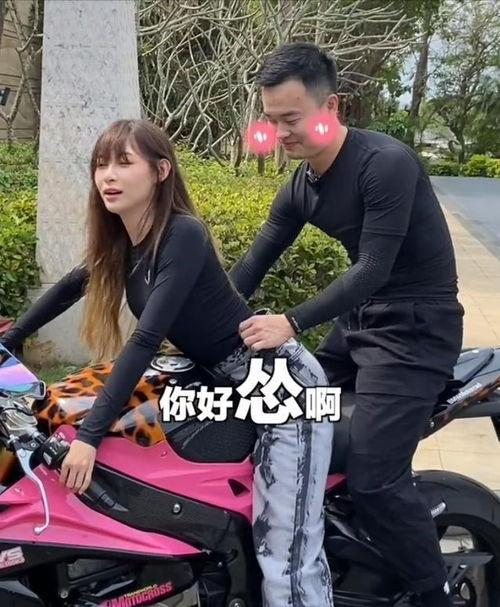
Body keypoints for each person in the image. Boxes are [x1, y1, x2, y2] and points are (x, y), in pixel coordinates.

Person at [0, 119, 333, 607]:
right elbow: (71, 286)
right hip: (221, 381)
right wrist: (9, 341)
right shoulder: (126, 240)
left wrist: (88, 438)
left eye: (123, 162)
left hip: (280, 386)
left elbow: (146, 339)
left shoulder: (183, 233)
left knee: (284, 548)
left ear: (161, 171)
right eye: (100, 164)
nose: (107, 175)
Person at [230, 42, 463, 607]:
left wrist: (290, 321)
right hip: (360, 324)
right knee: (272, 417)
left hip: (416, 331)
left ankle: (436, 593)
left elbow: (373, 267)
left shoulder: (384, 163)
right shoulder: (301, 185)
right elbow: (253, 265)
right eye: (272, 120)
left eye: (291, 118)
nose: (280, 133)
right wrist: (197, 320)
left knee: (375, 477)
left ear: (330, 106)